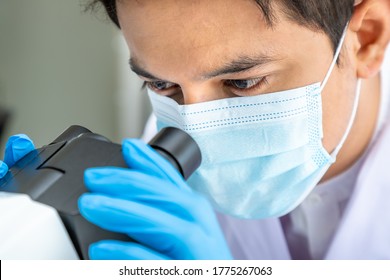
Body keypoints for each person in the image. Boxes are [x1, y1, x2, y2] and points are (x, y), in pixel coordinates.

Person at [1, 0, 390, 260]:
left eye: (243, 83)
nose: (196, 129)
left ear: (367, 38)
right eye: (161, 85)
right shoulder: (156, 165)